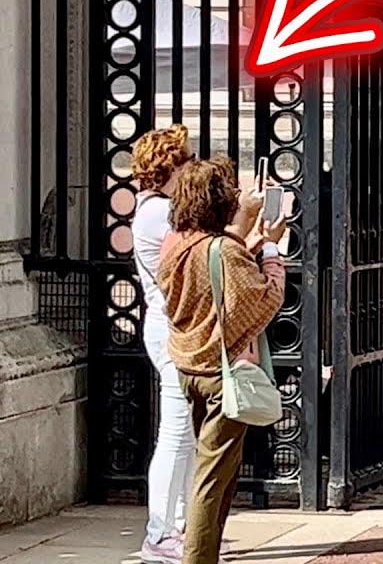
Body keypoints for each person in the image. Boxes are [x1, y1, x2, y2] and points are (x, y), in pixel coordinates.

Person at [157, 156, 286, 564]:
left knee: (220, 471)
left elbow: (216, 266)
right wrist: (270, 252)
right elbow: (262, 298)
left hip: (190, 367)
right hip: (220, 372)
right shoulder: (223, 250)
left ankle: (207, 550)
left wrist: (245, 238)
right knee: (211, 480)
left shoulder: (177, 245)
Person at [131, 125, 197, 563]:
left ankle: (178, 525)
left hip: (173, 325)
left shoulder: (162, 208)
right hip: (169, 327)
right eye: (186, 159)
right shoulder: (158, 211)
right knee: (174, 433)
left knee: (185, 434)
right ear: (169, 167)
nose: (191, 165)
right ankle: (159, 532)